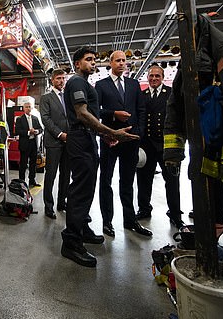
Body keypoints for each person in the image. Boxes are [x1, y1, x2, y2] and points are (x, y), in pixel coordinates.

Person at [61, 47, 139, 268]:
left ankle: (83, 228)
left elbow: (91, 116)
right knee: (80, 190)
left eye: (94, 60)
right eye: (88, 60)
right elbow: (82, 114)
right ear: (77, 64)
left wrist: (101, 136)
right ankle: (71, 241)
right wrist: (111, 132)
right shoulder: (76, 82)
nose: (93, 63)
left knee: (87, 188)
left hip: (87, 139)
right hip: (79, 138)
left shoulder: (85, 84)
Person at [95, 50, 151, 238]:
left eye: (123, 61)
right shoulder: (101, 86)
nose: (121, 63)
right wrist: (113, 114)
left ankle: (130, 220)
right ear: (110, 63)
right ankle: (107, 221)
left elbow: (141, 110)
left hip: (131, 141)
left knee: (127, 181)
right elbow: (96, 112)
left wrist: (140, 132)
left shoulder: (134, 85)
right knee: (106, 181)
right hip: (110, 140)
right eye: (117, 60)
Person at [138, 65, 184, 228]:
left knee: (172, 181)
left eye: (157, 76)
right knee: (144, 180)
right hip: (147, 145)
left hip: (166, 145)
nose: (154, 79)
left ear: (162, 77)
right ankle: (144, 209)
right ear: (148, 77)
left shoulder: (171, 93)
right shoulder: (141, 95)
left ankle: (175, 213)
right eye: (151, 76)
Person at [40, 69, 70, 219]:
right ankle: (48, 206)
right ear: (52, 80)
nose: (61, 81)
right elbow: (46, 119)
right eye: (58, 78)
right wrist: (60, 134)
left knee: (65, 175)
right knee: (50, 175)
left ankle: (61, 202)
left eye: (63, 78)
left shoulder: (68, 97)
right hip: (53, 142)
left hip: (68, 142)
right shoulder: (46, 98)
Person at [15, 101, 43, 187]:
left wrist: (36, 131)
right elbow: (17, 131)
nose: (28, 108)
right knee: (23, 164)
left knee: (33, 164)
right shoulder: (19, 119)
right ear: (23, 109)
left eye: (29, 107)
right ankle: (21, 181)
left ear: (32, 108)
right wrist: (28, 132)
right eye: (26, 107)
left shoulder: (35, 118)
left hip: (33, 144)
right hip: (24, 144)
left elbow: (41, 129)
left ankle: (32, 180)